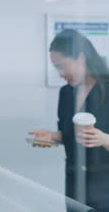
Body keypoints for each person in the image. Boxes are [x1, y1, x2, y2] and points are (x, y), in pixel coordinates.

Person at [29, 29, 109, 211]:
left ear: (81, 57)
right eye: (56, 68)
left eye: (62, 66)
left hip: (105, 192)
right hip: (76, 189)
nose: (60, 73)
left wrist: (104, 139)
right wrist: (52, 137)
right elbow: (71, 136)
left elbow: (99, 137)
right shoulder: (66, 93)